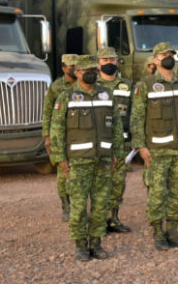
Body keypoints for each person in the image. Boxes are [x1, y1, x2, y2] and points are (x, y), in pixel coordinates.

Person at [50, 55, 124, 261]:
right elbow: (56, 129)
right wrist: (60, 158)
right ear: (77, 72)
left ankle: (97, 243)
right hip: (77, 161)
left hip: (103, 160)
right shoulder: (67, 96)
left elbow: (116, 125)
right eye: (85, 70)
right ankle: (81, 245)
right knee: (79, 206)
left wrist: (117, 152)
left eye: (93, 69)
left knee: (101, 204)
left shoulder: (107, 94)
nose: (90, 73)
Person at [131, 42, 178, 250]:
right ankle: (158, 233)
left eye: (171, 54)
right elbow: (137, 118)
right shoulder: (145, 85)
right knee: (157, 194)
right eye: (164, 54)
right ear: (155, 59)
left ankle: (173, 231)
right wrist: (141, 146)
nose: (168, 57)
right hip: (157, 151)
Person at [96, 47, 133, 233]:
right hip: (98, 146)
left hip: (121, 145)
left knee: (118, 183)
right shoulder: (92, 86)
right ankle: (99, 222)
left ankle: (113, 218)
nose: (109, 63)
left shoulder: (127, 86)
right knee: (99, 185)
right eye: (105, 60)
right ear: (98, 64)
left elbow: (134, 114)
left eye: (112, 60)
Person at [43, 53, 77, 222]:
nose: (74, 70)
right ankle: (66, 206)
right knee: (63, 173)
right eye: (71, 67)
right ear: (64, 68)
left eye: (76, 67)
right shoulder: (57, 87)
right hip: (60, 134)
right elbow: (47, 112)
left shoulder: (84, 84)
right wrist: (47, 135)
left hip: (78, 134)